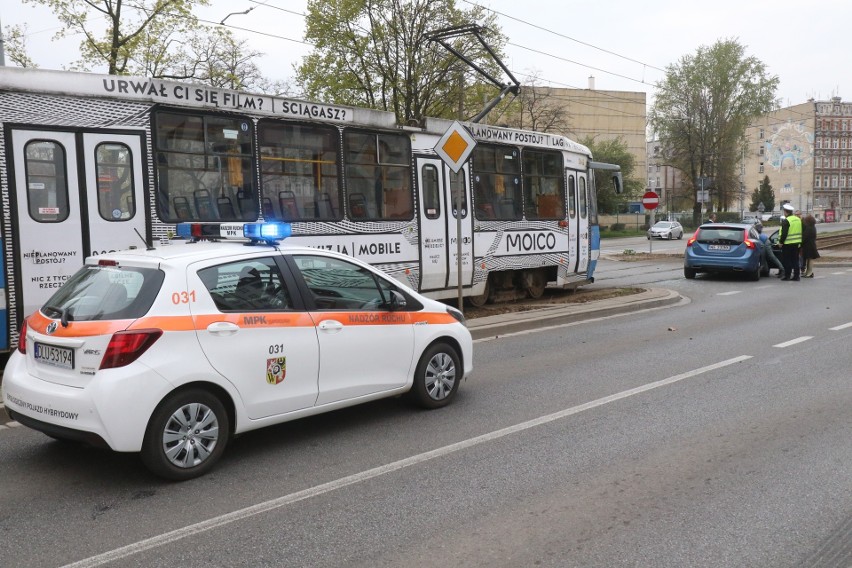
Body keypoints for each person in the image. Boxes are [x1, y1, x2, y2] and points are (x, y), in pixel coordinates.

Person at [778, 203, 802, 281]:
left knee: (787, 260)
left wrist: (781, 242)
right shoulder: (798, 219)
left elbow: (784, 233)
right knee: (795, 260)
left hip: (788, 244)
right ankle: (796, 276)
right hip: (797, 243)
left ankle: (787, 275)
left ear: (785, 212)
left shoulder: (786, 220)